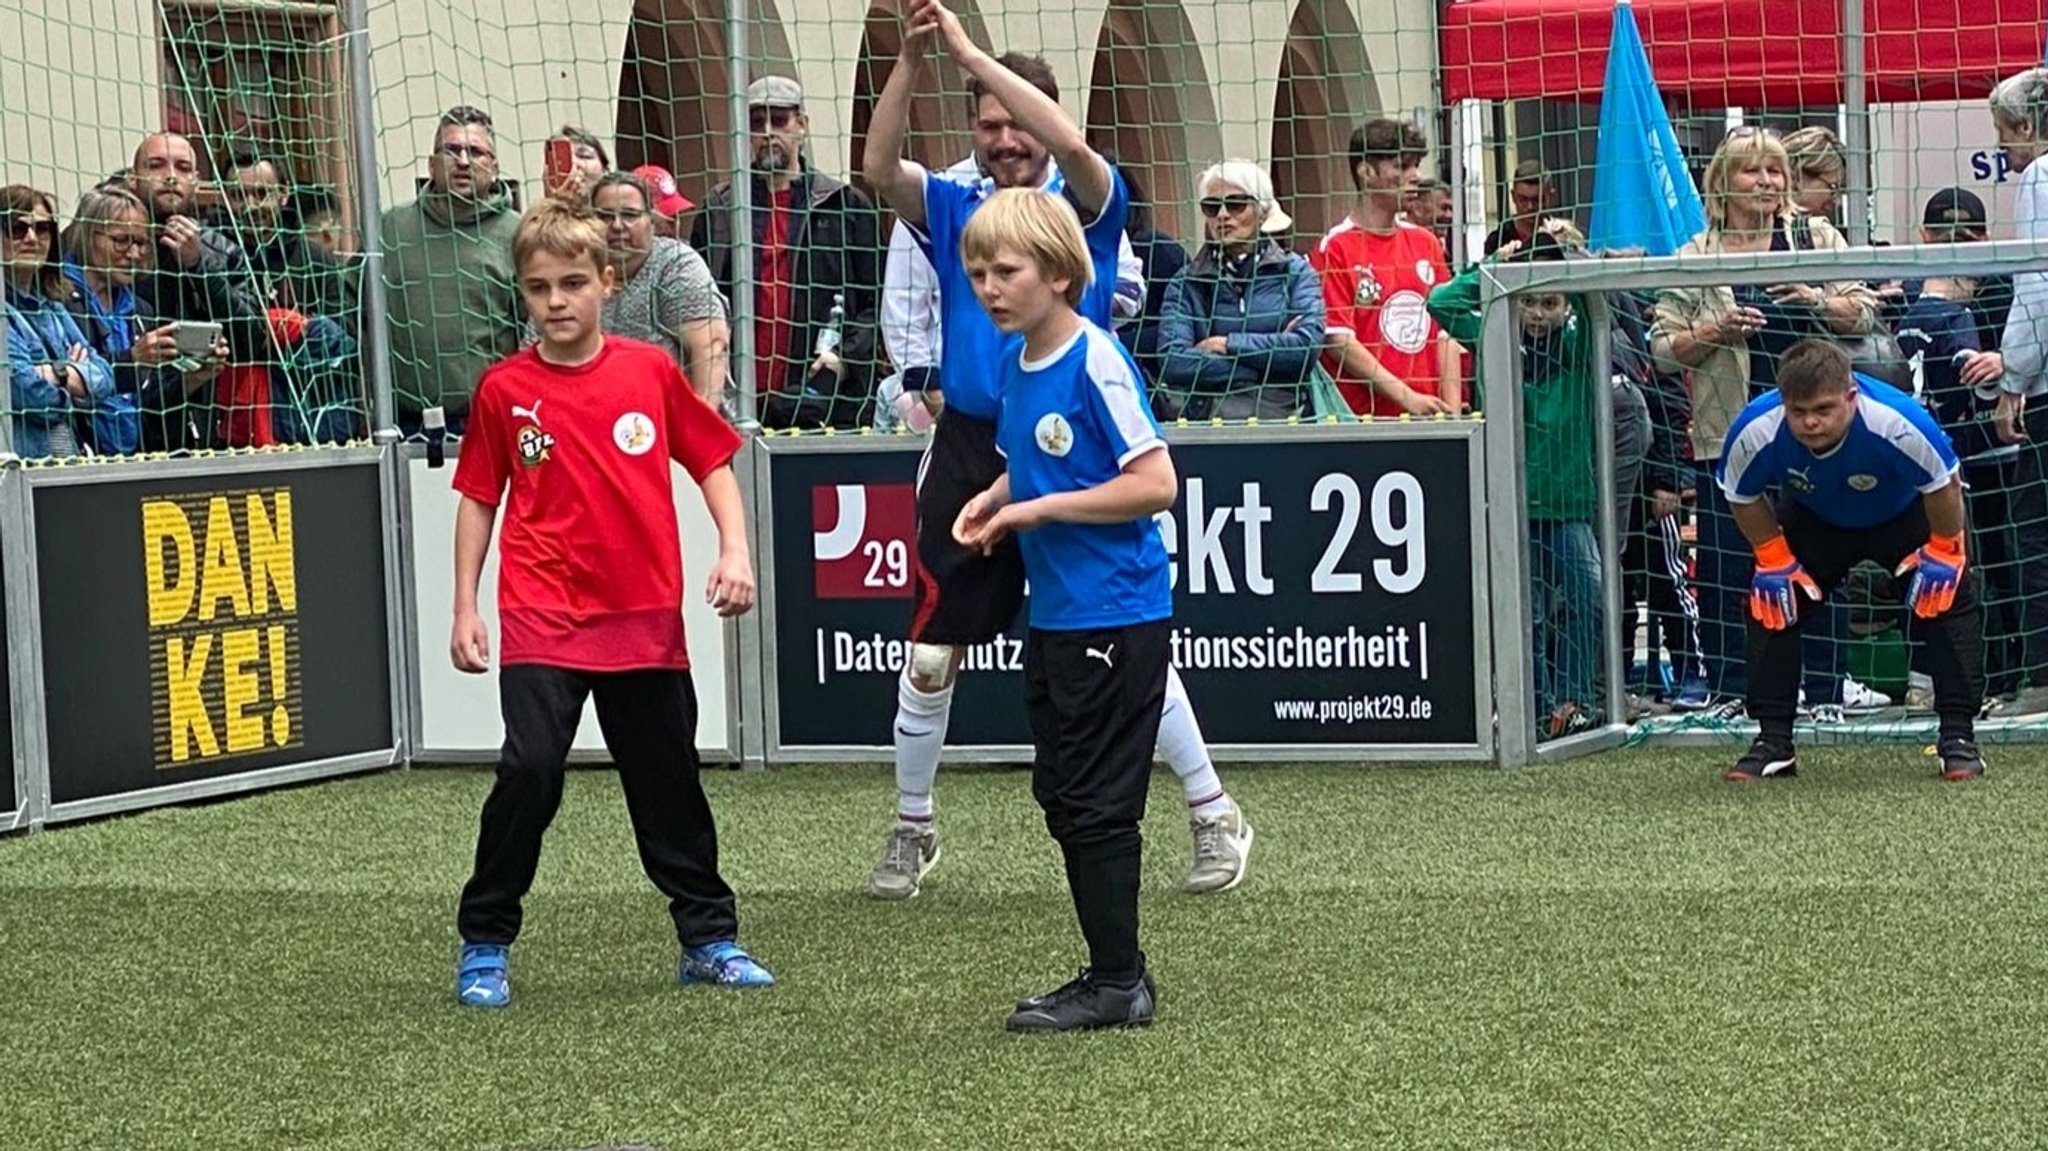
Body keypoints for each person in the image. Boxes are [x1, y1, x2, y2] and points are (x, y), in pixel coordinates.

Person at [861, 0, 1249, 901]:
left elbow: (1069, 146)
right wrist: (918, 63)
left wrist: (973, 52)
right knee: (931, 651)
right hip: (969, 445)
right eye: (987, 124)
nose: (1004, 138)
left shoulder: (1087, 204)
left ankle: (1210, 808)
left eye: (1017, 120)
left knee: (1118, 637)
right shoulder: (957, 205)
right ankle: (912, 826)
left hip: (1069, 444)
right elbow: (879, 168)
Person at [446, 198, 771, 1008]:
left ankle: (708, 938)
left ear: (607, 283)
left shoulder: (648, 371)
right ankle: (485, 939)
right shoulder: (503, 390)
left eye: (572, 284)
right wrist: (465, 605)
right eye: (538, 287)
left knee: (668, 783)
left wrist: (734, 549)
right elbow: (480, 498)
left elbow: (711, 463)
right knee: (529, 771)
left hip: (644, 617)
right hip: (542, 614)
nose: (555, 301)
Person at [953, 187, 1175, 1032]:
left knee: (1094, 800)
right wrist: (992, 497)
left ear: (1055, 273)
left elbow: (1156, 483)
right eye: (977, 271)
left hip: (1114, 614)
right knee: (1063, 792)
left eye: (1004, 270)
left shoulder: (1098, 361)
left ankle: (1118, 981)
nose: (988, 287)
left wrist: (1033, 513)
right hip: (1057, 616)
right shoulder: (1016, 363)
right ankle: (1116, 970)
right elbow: (1034, 467)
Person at [1650, 127, 1882, 719]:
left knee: (1819, 561)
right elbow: (1660, 350)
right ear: (1722, 182)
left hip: (1815, 438)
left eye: (1775, 171)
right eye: (1754, 171)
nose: (1768, 182)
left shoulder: (1813, 236)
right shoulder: (1696, 256)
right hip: (1727, 436)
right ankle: (1733, 691)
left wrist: (1814, 298)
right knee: (1731, 570)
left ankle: (1827, 690)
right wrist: (1714, 333)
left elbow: (1862, 310)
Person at [1716, 339, 1984, 782]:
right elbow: (1740, 496)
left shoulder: (1898, 421)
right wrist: (1771, 554)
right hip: (1814, 517)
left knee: (1949, 597)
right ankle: (1773, 741)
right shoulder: (1755, 429)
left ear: (1851, 397)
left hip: (1903, 515)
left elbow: (1944, 483)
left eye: (1823, 408)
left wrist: (1945, 548)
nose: (1811, 422)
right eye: (1799, 411)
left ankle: (1959, 737)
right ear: (1783, 403)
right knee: (1771, 602)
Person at [1428, 220, 1601, 737]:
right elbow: (1442, 300)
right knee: (1523, 612)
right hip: (1507, 501)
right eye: (1529, 302)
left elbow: (1599, 297)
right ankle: (1532, 703)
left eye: (1551, 303)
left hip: (1567, 503)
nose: (1538, 314)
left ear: (1567, 305)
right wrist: (1496, 264)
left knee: (1586, 597)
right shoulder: (1492, 335)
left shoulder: (1580, 349)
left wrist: (1573, 257)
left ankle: (1574, 702)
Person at [691, 76, 882, 429]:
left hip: (822, 402)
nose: (766, 133)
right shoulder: (720, 208)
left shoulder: (845, 206)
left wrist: (843, 359)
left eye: (778, 120)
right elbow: (699, 299)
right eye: (755, 123)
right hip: (736, 403)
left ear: (802, 125)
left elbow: (877, 303)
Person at [1967, 68, 2048, 716]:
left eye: (2003, 134)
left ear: (2024, 127)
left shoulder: (2039, 178)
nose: (2004, 150)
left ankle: (2042, 680)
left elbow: (2038, 292)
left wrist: (2012, 380)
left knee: (2033, 537)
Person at [382, 104, 523, 438]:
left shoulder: (520, 234)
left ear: (494, 165)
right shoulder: (390, 228)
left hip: (490, 421)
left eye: (475, 151)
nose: (463, 161)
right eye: (451, 150)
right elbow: (355, 316)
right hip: (401, 424)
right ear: (432, 165)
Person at [1156, 158, 1325, 420]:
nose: (1223, 215)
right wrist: (1272, 367)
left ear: (1263, 211)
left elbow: (1305, 350)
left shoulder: (1296, 273)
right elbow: (1173, 362)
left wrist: (1227, 344)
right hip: (1207, 425)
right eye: (1212, 207)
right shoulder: (1186, 282)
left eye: (1236, 204)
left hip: (1284, 425)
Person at [1313, 118, 1459, 417]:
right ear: (1366, 172)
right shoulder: (1335, 248)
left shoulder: (1426, 243)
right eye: (1402, 166)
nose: (1416, 176)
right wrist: (1409, 398)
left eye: (1416, 165)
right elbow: (1339, 342)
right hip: (1366, 426)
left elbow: (1445, 333)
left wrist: (1453, 413)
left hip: (1431, 422)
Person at [585, 170, 729, 404]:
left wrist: (701, 424)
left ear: (652, 221)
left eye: (630, 215)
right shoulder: (575, 270)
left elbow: (710, 347)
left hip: (671, 422)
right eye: (605, 216)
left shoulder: (676, 263)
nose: (618, 226)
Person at [3, 186, 115, 457]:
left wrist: (53, 373)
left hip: (65, 467)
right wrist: (75, 379)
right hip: (17, 473)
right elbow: (26, 393)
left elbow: (105, 376)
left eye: (42, 229)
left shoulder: (53, 308)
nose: (32, 238)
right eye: (17, 228)